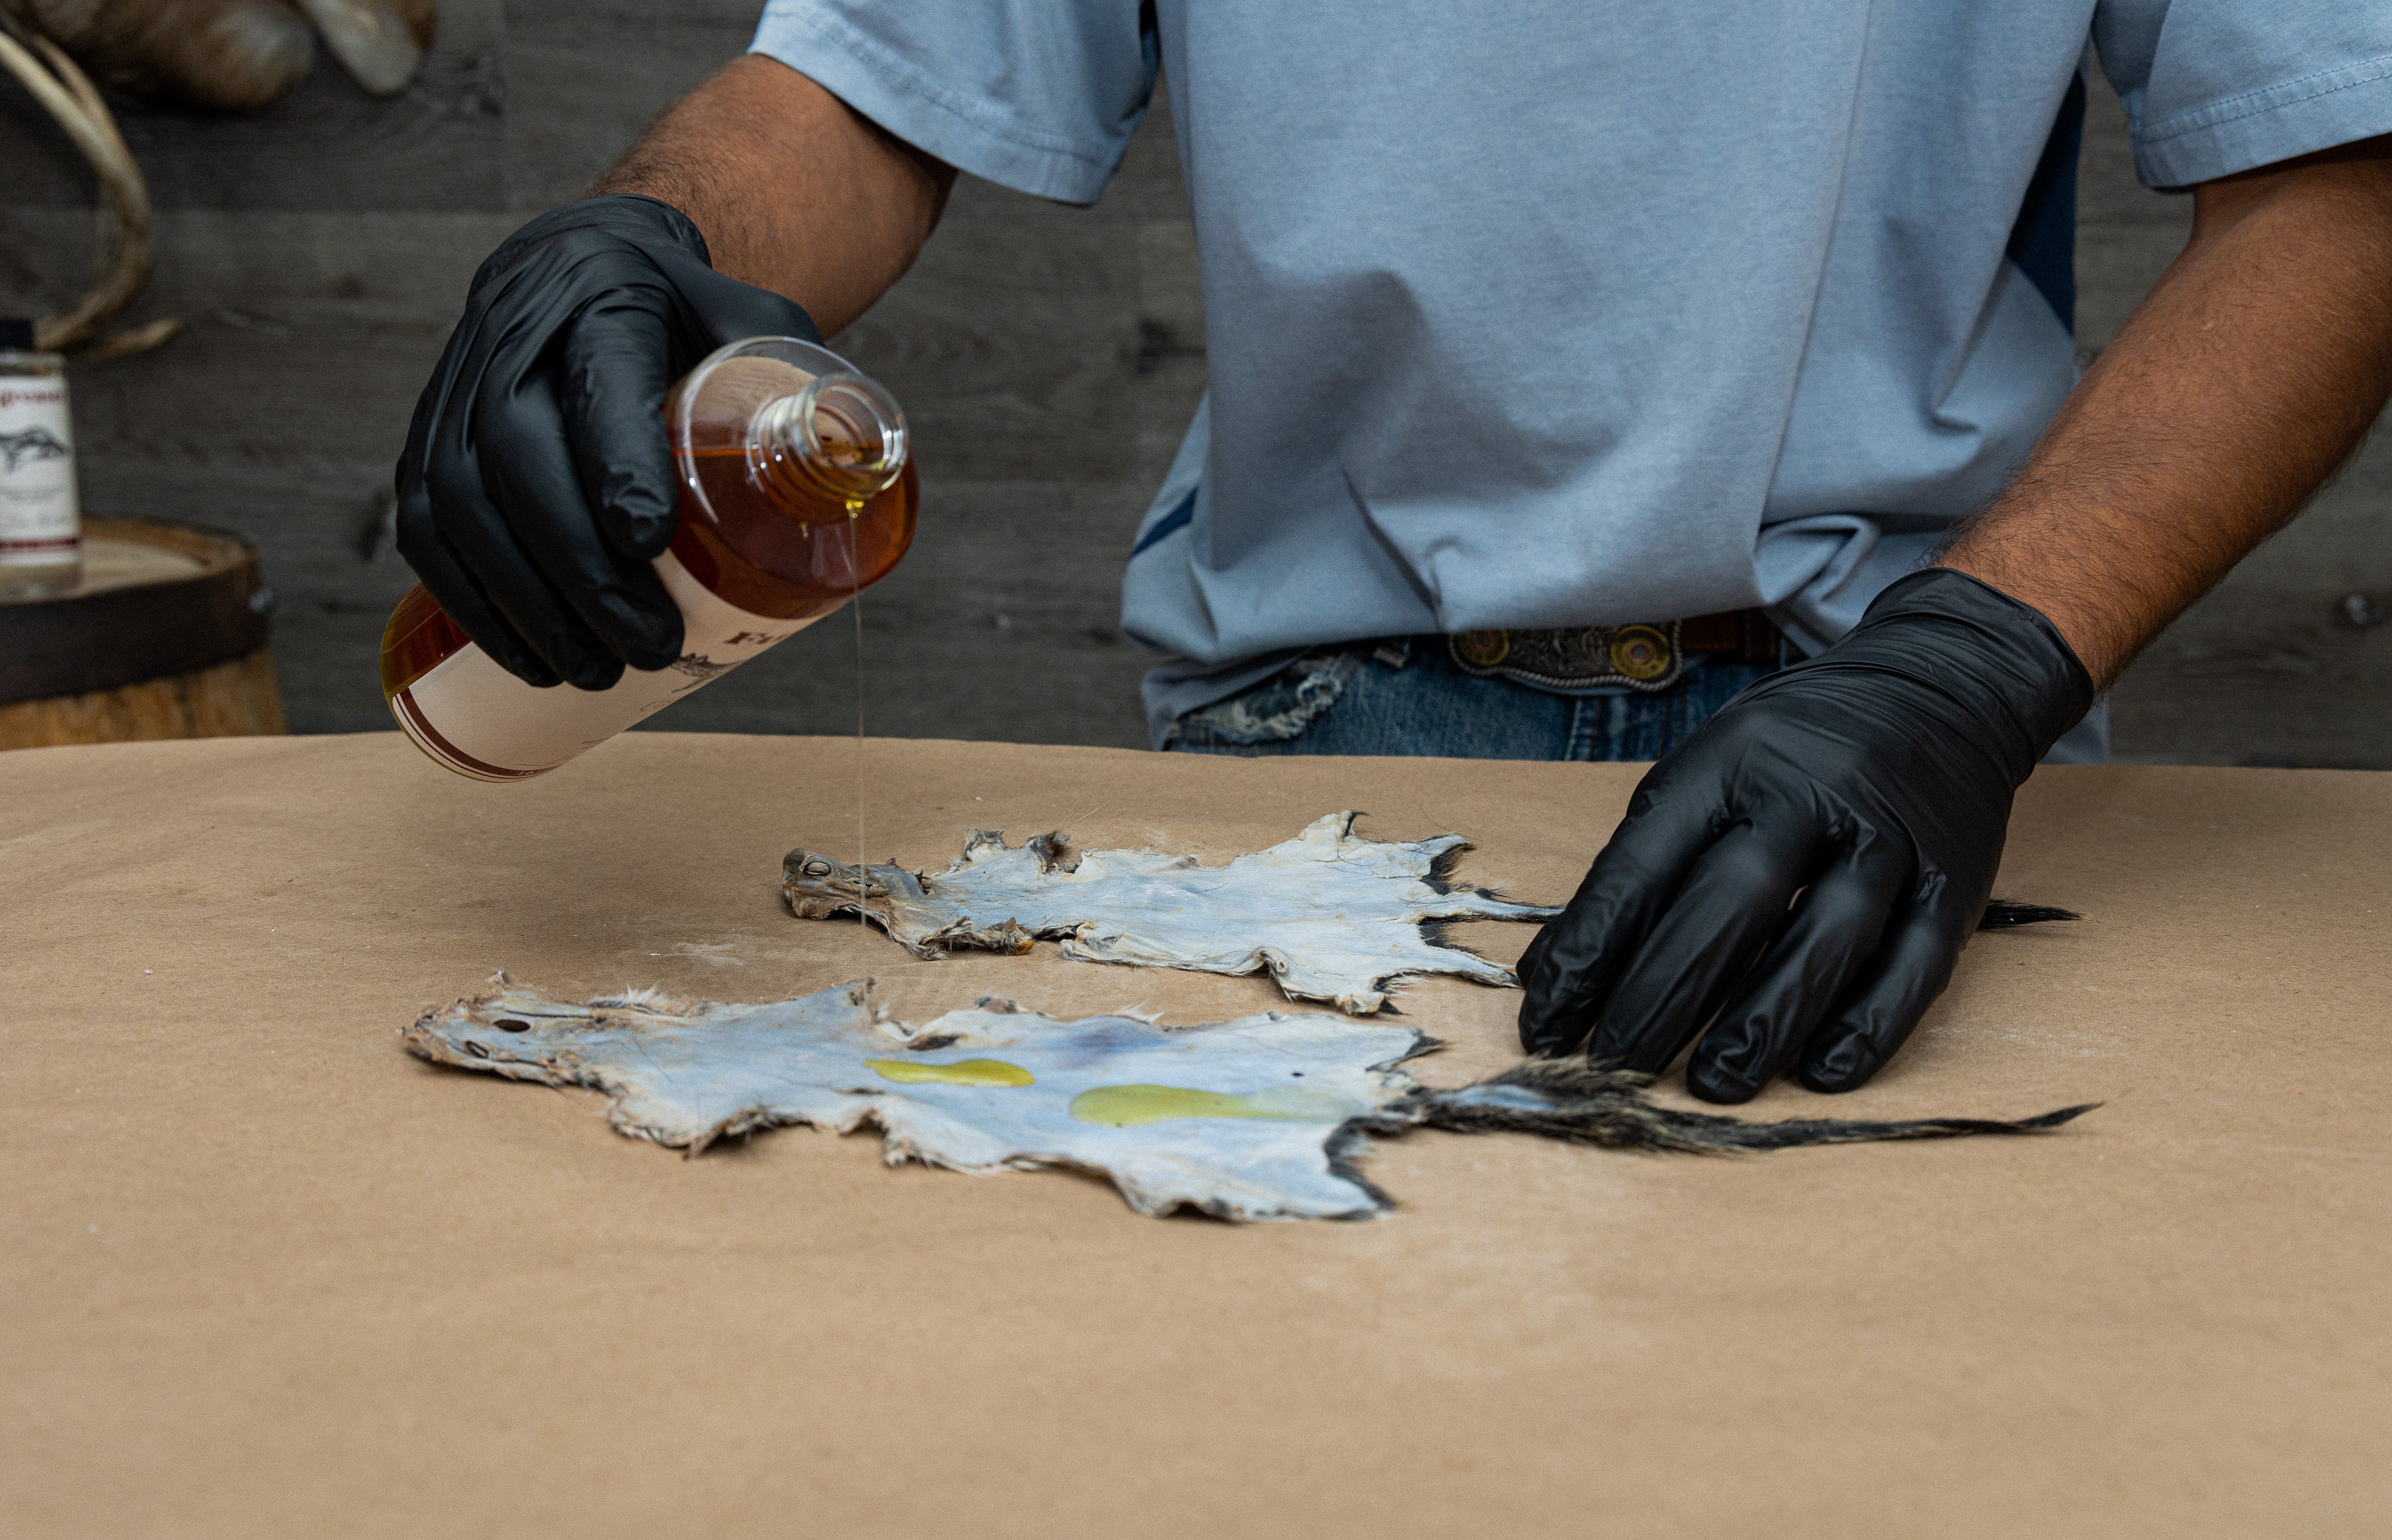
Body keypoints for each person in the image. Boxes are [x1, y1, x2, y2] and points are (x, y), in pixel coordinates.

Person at [393, 2, 2392, 1105]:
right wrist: (640, 239)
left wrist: (1974, 671)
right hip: (1310, 768)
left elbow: (2343, 173)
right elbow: (867, 85)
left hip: (1889, 763)